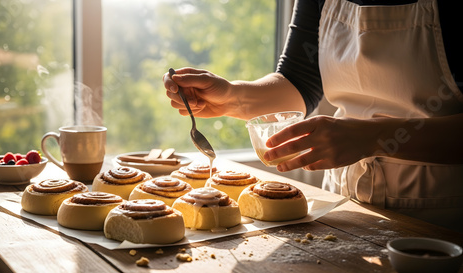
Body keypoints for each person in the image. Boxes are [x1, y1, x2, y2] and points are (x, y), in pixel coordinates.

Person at [162, 0, 463, 231]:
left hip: (442, 218)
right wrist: (232, 97)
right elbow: (300, 79)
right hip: (344, 209)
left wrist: (375, 137)